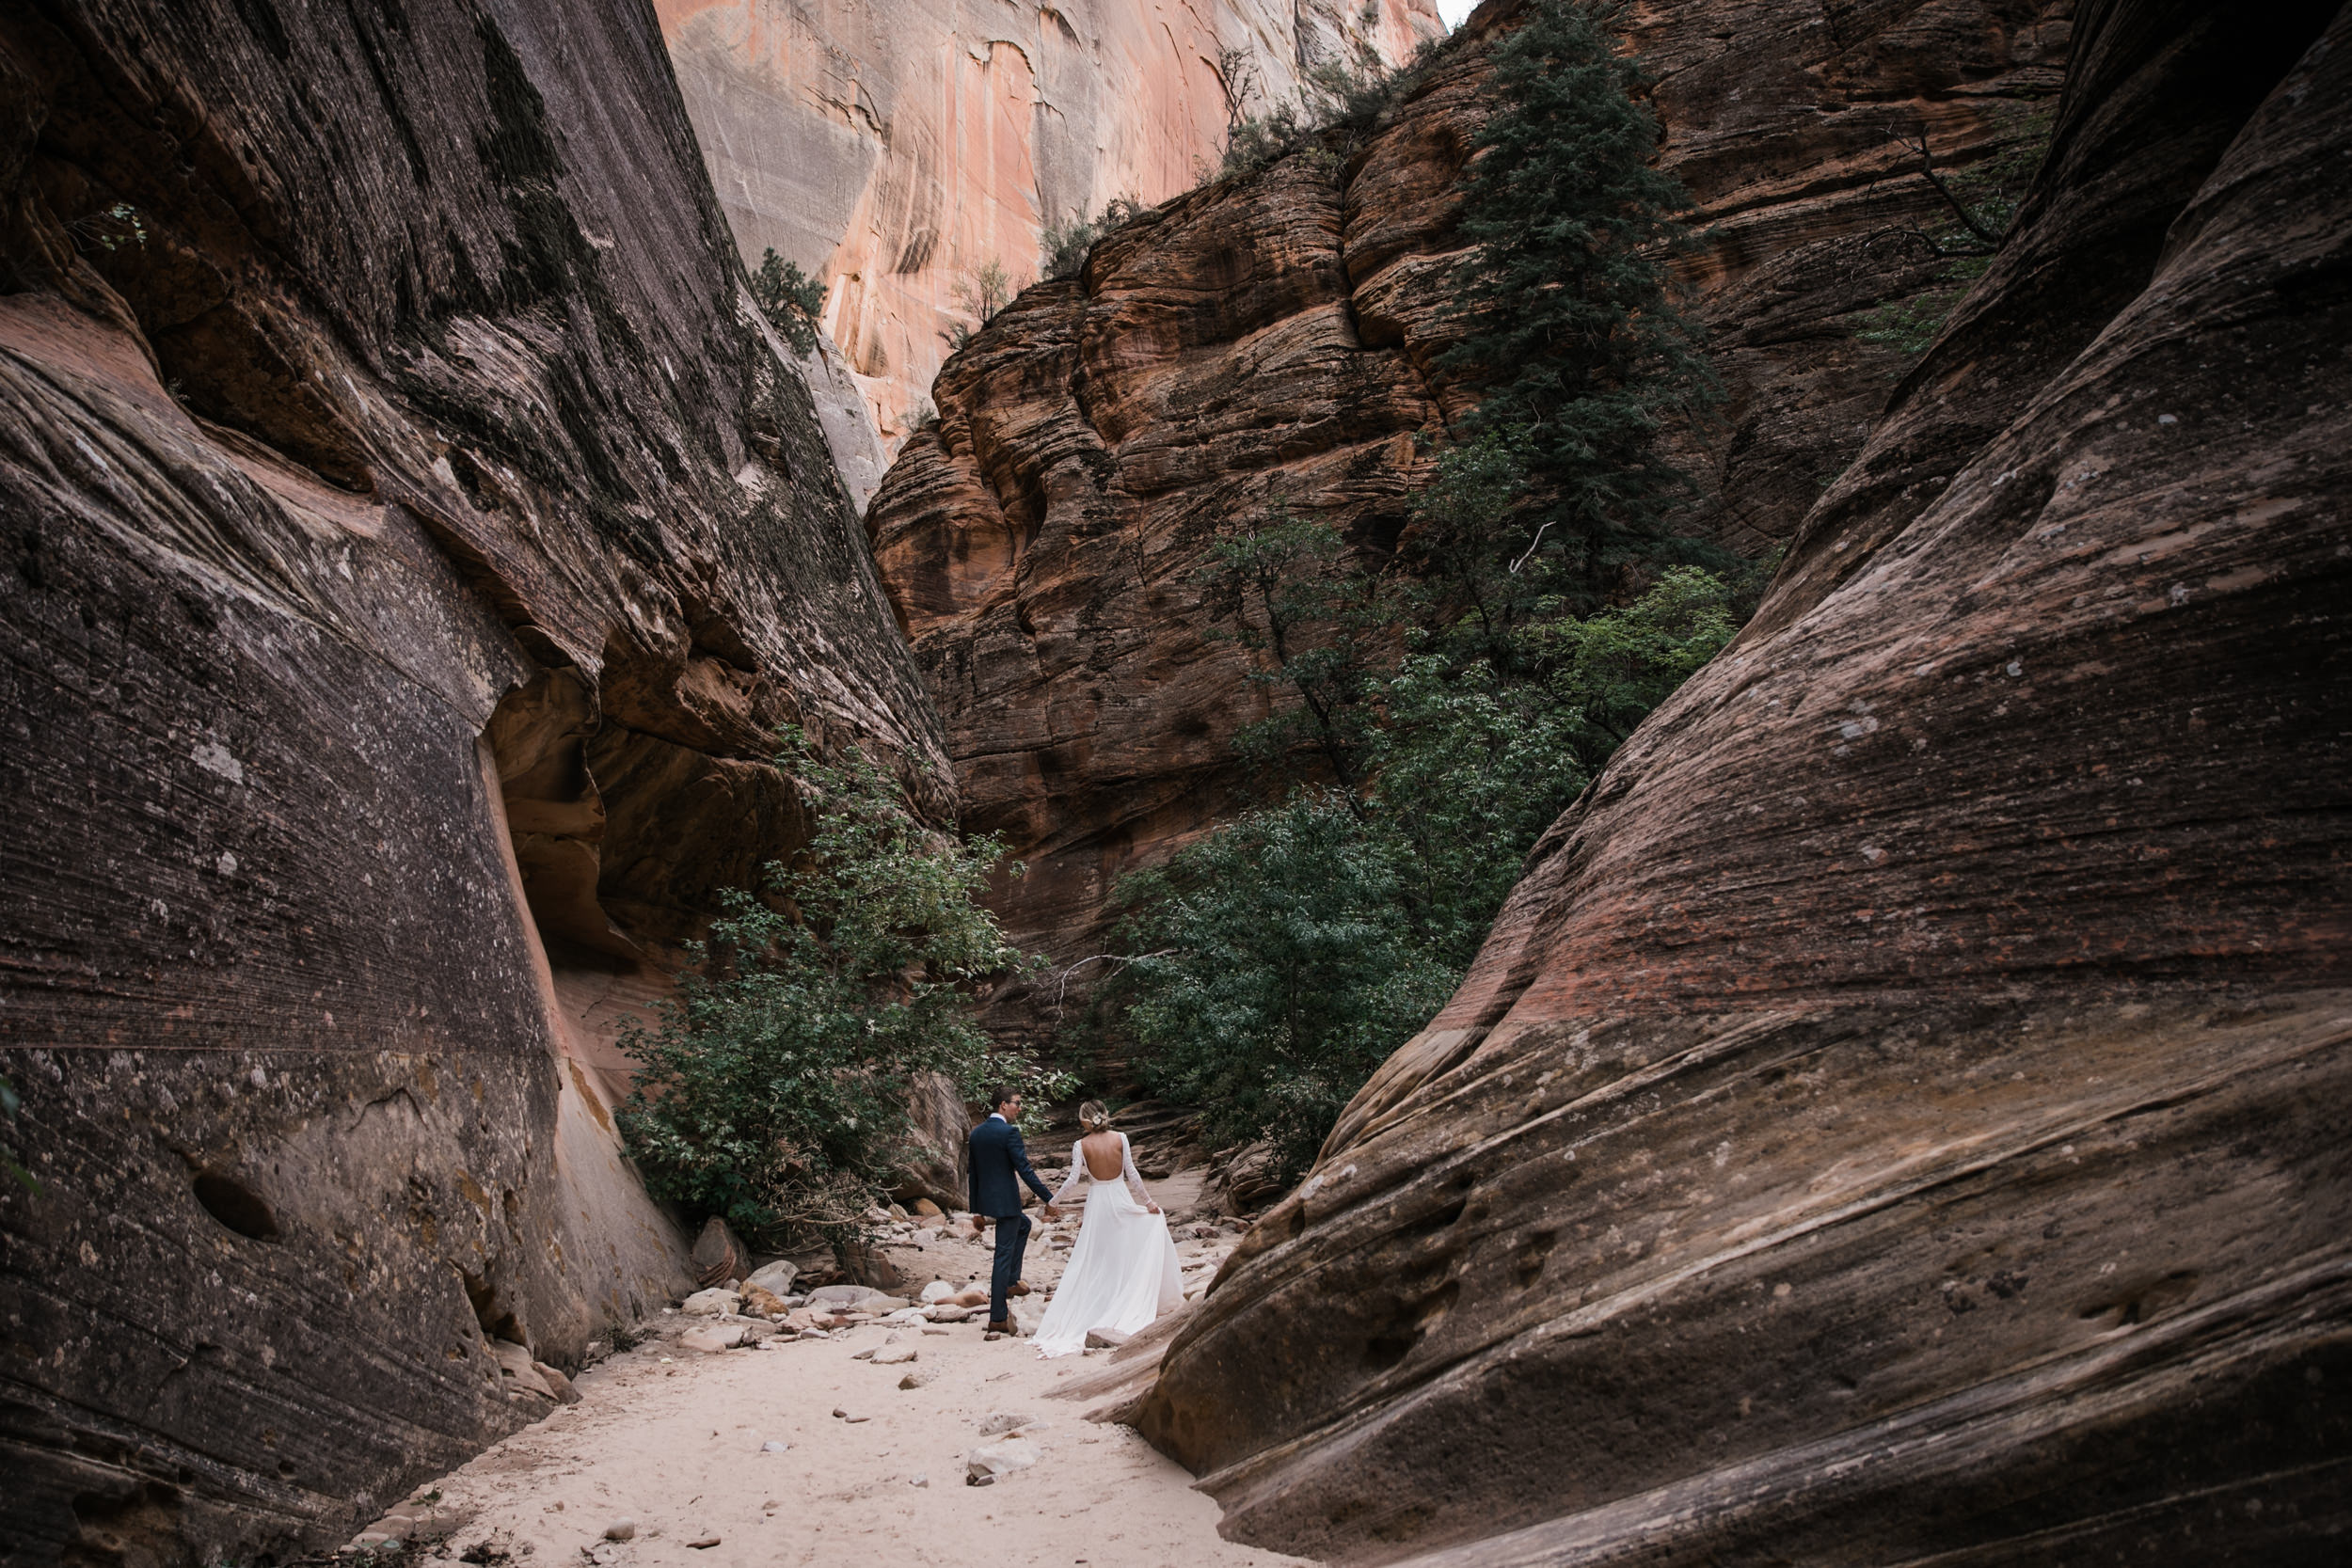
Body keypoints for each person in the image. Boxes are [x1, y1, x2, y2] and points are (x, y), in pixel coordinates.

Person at [1031, 1101, 1182, 1358]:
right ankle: (1123, 1298)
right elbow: (1132, 1174)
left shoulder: (1081, 1145)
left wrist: (1052, 1202)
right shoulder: (1121, 1138)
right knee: (1124, 1251)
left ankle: (1100, 1303)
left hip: (1098, 1204)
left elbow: (1072, 1180)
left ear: (1085, 1121)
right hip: (1121, 1198)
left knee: (1096, 1258)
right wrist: (1148, 1202)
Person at [967, 1085, 1060, 1334]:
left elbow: (972, 1174)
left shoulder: (976, 1134)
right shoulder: (1009, 1133)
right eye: (1017, 1103)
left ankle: (1011, 1281)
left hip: (987, 1201)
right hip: (1006, 1202)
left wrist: (975, 1211)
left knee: (1026, 1225)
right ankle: (997, 1316)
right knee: (1002, 1254)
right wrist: (1049, 1198)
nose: (1019, 1108)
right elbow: (1025, 1170)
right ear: (1003, 1105)